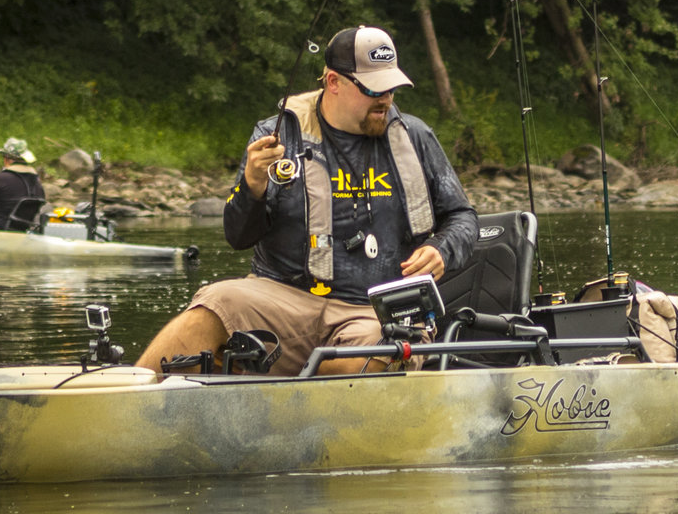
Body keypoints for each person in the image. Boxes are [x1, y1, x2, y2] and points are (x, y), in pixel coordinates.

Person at [139, 26, 478, 376]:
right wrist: (252, 186)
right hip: (283, 299)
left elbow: (463, 218)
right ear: (334, 82)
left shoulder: (415, 137)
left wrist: (441, 248)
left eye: (391, 87)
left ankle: (300, 399)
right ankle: (128, 399)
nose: (386, 99)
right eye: (373, 89)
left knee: (373, 355)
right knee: (213, 305)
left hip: (376, 312)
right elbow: (237, 237)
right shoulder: (276, 135)